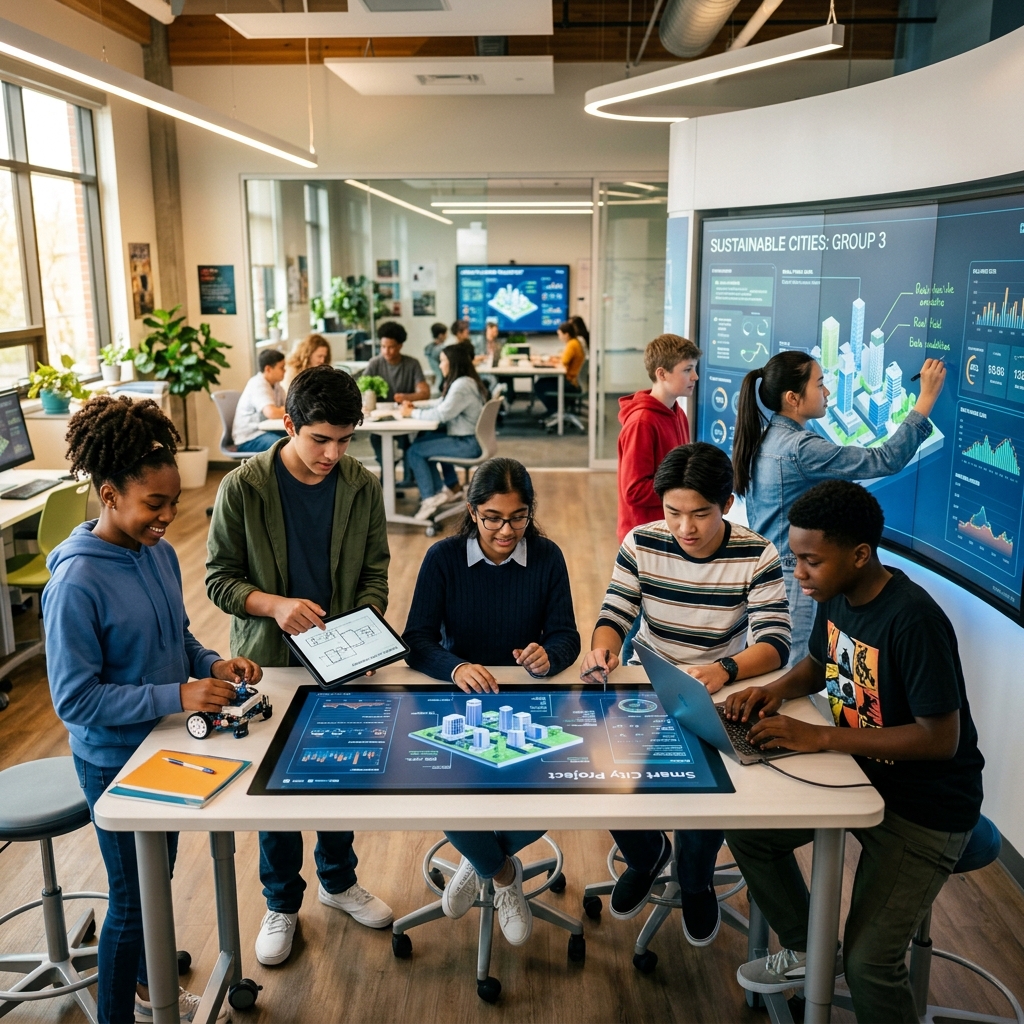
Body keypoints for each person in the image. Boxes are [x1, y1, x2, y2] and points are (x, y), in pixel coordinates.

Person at [723, 480, 984, 1023]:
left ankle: (838, 964)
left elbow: (941, 739)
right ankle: (812, 950)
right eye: (796, 557)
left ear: (860, 555)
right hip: (858, 781)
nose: (799, 573)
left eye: (811, 561)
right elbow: (819, 665)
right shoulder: (836, 594)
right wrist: (773, 691)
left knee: (871, 965)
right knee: (749, 833)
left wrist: (821, 737)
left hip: (924, 810)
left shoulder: (914, 620)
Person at [43, 395, 260, 1024]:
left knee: (153, 879)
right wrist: (177, 696)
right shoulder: (76, 584)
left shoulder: (158, 553)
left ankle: (146, 979)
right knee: (134, 901)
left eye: (173, 503)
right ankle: (119, 1008)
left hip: (162, 744)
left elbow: (178, 636)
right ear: (109, 495)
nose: (167, 517)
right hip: (112, 758)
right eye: (154, 504)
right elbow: (75, 699)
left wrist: (211, 664)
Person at [206, 365, 393, 967]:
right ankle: (282, 902)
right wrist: (276, 605)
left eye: (345, 440)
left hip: (341, 661)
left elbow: (375, 573)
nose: (332, 455)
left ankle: (338, 883)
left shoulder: (361, 486)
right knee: (276, 787)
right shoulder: (243, 487)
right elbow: (219, 579)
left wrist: (364, 632)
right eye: (319, 439)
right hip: (268, 662)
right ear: (288, 424)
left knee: (339, 773)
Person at [580, 443, 791, 946]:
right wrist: (603, 649)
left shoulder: (756, 553)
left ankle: (695, 879)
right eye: (672, 512)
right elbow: (615, 614)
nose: (684, 527)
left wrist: (724, 669)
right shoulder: (642, 542)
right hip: (649, 679)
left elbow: (775, 644)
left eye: (700, 513)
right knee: (600, 768)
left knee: (707, 790)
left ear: (728, 503)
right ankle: (645, 855)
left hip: (718, 688)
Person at [402, 458, 580, 945]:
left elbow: (566, 636)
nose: (506, 531)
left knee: (555, 790)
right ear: (472, 511)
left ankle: (479, 859)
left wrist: (549, 655)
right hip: (459, 699)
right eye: (493, 518)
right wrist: (455, 666)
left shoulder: (547, 557)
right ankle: (501, 873)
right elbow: (416, 641)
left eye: (519, 517)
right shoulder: (443, 558)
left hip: (527, 698)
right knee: (446, 788)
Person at [733, 351, 945, 666]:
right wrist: (926, 398)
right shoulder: (799, 448)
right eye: (819, 384)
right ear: (793, 398)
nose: (827, 392)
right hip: (793, 581)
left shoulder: (769, 438)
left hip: (770, 573)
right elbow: (885, 459)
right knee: (794, 671)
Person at [615, 334, 701, 662]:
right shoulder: (642, 422)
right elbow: (633, 490)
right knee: (639, 619)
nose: (694, 376)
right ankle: (626, 679)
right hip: (645, 537)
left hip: (669, 531)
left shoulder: (677, 413)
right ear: (662, 373)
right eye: (687, 369)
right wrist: (681, 491)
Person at [401, 344, 488, 520]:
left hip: (468, 444)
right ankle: (441, 490)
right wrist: (416, 407)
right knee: (422, 442)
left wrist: (412, 413)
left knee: (415, 451)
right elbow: (442, 403)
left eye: (442, 361)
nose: (440, 365)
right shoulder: (466, 381)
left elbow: (441, 414)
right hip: (469, 440)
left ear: (453, 363)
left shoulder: (461, 386)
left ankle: (430, 498)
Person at [360, 322, 429, 473]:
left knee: (407, 442)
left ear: (400, 346)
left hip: (404, 419)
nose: (386, 351)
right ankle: (386, 475)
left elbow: (425, 392)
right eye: (383, 346)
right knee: (376, 440)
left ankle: (406, 477)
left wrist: (406, 397)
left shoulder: (412, 364)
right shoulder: (375, 363)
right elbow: (361, 388)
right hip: (379, 420)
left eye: (391, 347)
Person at [232, 348, 288, 453]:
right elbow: (272, 413)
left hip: (266, 432)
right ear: (268, 369)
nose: (285, 371)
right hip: (249, 438)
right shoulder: (257, 384)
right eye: (281, 367)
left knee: (296, 438)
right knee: (284, 446)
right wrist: (281, 410)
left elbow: (288, 407)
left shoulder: (277, 386)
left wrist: (282, 410)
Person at [535, 320, 585, 417]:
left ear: (566, 334)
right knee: (543, 382)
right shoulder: (575, 342)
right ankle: (556, 409)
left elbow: (564, 361)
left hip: (570, 383)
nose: (559, 337)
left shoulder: (572, 344)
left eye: (560, 334)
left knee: (539, 385)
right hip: (573, 381)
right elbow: (564, 358)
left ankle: (554, 410)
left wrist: (550, 361)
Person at [425, 322, 448, 394]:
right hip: (441, 381)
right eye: (445, 334)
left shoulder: (428, 348)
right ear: (441, 335)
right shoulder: (442, 349)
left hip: (435, 380)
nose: (447, 336)